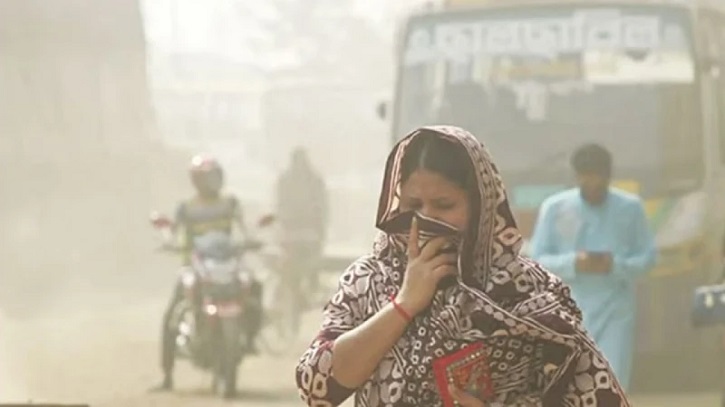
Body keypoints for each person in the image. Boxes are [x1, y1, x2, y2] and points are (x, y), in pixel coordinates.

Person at [295, 126, 630, 406]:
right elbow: (317, 387)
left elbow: (594, 394)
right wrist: (404, 304)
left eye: (444, 205)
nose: (425, 219)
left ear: (482, 205)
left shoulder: (533, 289)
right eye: (413, 204)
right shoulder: (369, 279)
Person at [529, 143, 657, 392]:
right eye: (587, 181)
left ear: (608, 177)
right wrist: (575, 263)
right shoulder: (555, 208)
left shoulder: (630, 208)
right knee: (572, 383)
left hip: (616, 309)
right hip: (568, 310)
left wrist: (614, 265)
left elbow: (648, 259)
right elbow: (538, 259)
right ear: (577, 177)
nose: (594, 188)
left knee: (612, 380)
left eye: (599, 181)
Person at [152, 154, 262, 392]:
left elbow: (244, 229)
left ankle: (251, 338)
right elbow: (174, 233)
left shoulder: (229, 203)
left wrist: (253, 240)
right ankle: (167, 375)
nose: (211, 182)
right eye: (206, 178)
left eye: (214, 177)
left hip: (227, 262)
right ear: (196, 181)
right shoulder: (186, 208)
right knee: (171, 317)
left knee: (256, 289)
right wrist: (169, 241)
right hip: (196, 265)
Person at [275, 147, 329, 298]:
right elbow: (323, 208)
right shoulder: (314, 180)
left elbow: (322, 208)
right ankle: (310, 284)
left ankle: (310, 284)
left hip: (300, 231)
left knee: (308, 263)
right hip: (297, 231)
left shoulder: (286, 180)